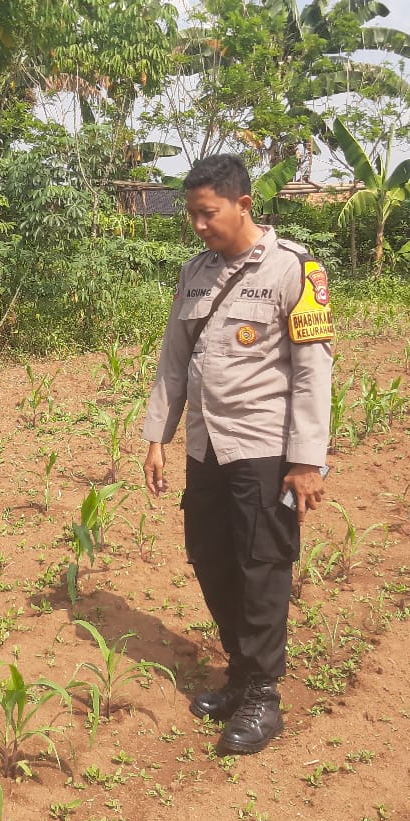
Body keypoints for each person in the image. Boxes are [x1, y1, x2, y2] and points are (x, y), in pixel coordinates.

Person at [142, 153, 333, 755]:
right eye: (191, 216)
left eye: (208, 214)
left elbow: (312, 373)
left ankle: (261, 695)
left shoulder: (295, 269)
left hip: (264, 450)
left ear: (243, 204)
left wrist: (306, 460)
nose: (198, 226)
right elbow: (173, 360)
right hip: (207, 447)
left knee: (262, 567)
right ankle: (239, 671)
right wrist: (158, 436)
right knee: (210, 557)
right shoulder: (195, 273)